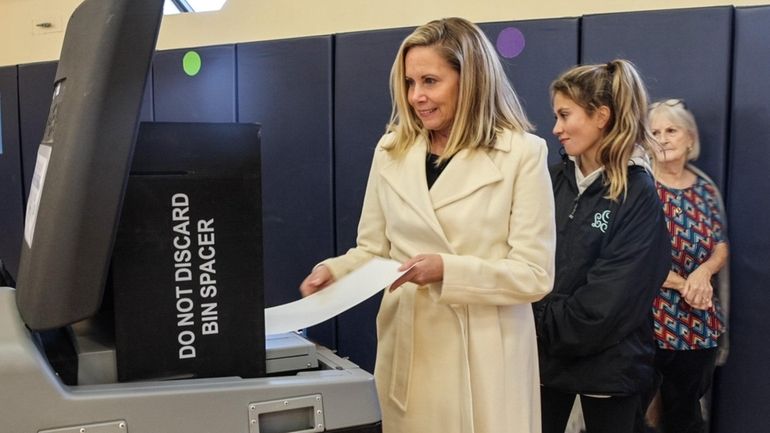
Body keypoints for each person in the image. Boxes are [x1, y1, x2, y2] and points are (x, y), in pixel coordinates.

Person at [300, 17, 556, 433]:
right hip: (413, 350)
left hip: (486, 358)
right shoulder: (391, 150)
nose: (416, 96)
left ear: (469, 79)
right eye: (409, 82)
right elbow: (372, 250)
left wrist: (447, 270)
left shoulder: (521, 154)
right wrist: (335, 272)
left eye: (430, 81)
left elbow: (535, 274)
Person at [533, 59, 671, 433]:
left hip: (609, 375)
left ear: (601, 116)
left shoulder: (637, 192)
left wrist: (534, 322)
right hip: (544, 369)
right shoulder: (550, 181)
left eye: (565, 115)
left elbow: (608, 303)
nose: (556, 128)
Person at [643, 98, 729, 433]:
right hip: (648, 323)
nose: (662, 138)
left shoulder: (705, 189)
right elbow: (633, 255)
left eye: (671, 130)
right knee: (637, 417)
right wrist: (683, 284)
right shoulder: (642, 186)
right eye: (654, 132)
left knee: (685, 417)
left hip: (698, 324)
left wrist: (703, 272)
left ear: (689, 138)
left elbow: (721, 245)